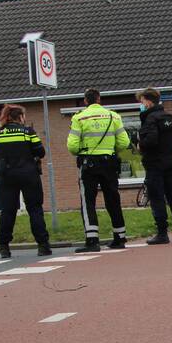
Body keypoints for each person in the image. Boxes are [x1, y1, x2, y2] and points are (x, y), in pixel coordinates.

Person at [67, 88, 130, 253]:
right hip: (109, 162)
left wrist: (85, 148)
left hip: (89, 164)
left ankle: (92, 240)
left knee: (88, 201)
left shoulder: (79, 117)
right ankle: (120, 237)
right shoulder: (113, 116)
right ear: (99, 99)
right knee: (113, 199)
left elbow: (72, 146)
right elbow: (124, 142)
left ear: (85, 101)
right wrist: (109, 148)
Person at [0, 104, 51, 258]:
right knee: (35, 209)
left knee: (8, 211)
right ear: (20, 117)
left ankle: (4, 247)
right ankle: (43, 245)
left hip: (7, 176)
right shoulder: (28, 132)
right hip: (28, 174)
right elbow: (40, 152)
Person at [136, 87, 172, 244]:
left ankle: (162, 233)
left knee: (157, 197)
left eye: (142, 101)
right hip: (170, 162)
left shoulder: (150, 119)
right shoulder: (169, 118)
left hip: (154, 164)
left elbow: (150, 140)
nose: (141, 104)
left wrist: (140, 145)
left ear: (149, 102)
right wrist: (168, 147)